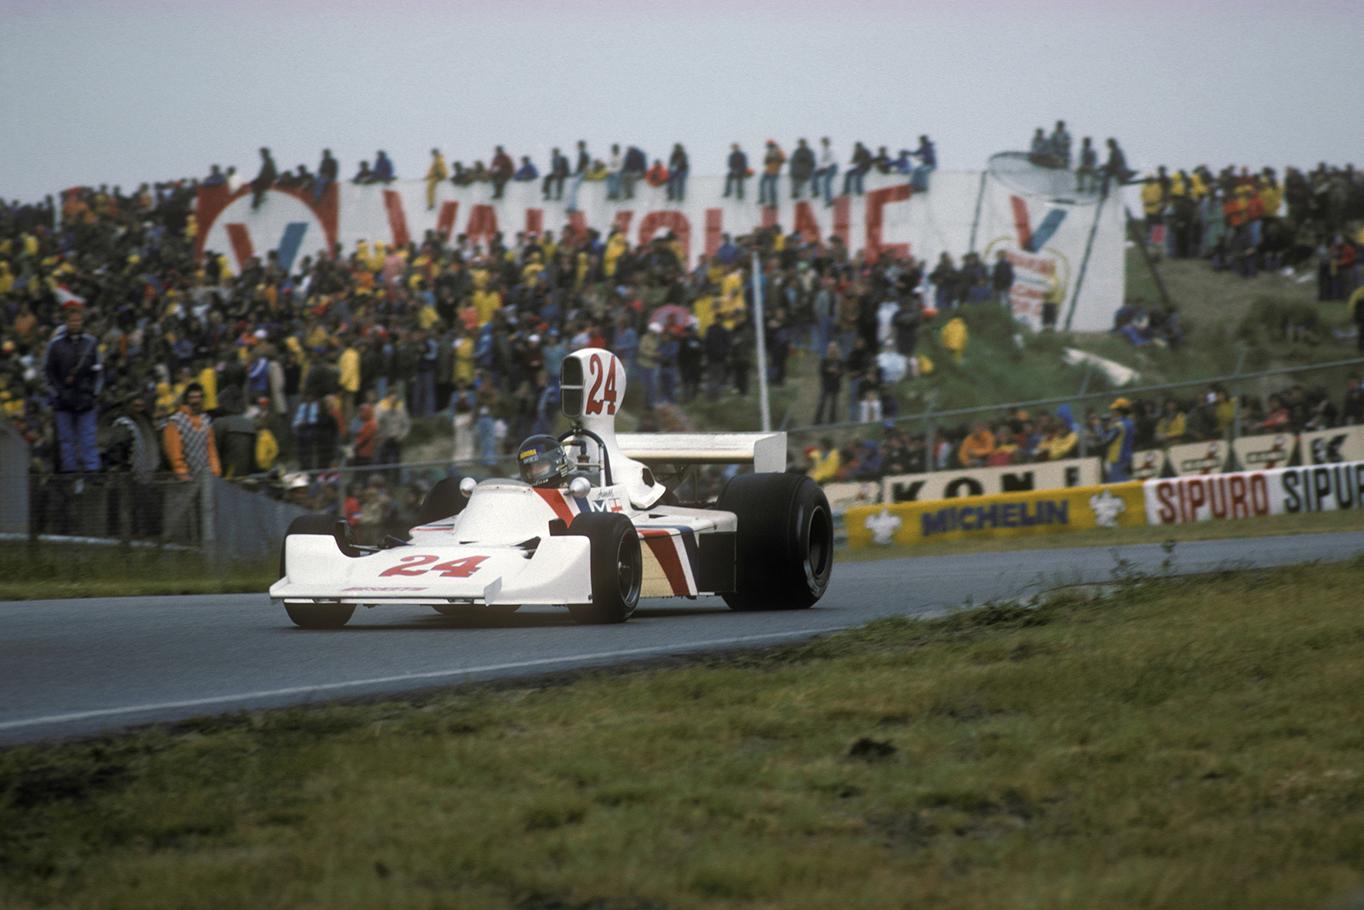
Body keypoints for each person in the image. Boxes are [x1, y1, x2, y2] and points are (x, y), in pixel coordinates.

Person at [162, 382, 222, 543]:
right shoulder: (175, 421)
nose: (196, 401)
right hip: (184, 482)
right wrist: (182, 475)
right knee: (184, 522)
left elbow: (211, 450)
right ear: (186, 399)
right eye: (192, 397)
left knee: (204, 521)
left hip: (204, 481)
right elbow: (174, 453)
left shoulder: (206, 421)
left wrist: (215, 474)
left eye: (199, 397)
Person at [1103, 397, 1136, 482]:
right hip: (1128, 456)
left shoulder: (1118, 425)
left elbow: (1107, 440)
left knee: (1117, 483)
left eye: (1115, 410)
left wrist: (1108, 428)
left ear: (1119, 411)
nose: (1113, 412)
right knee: (1126, 481)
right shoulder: (1131, 423)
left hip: (1117, 458)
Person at [815, 137, 838, 207]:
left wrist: (823, 167)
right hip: (826, 167)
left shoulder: (831, 150)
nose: (823, 144)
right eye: (823, 143)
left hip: (832, 167)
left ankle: (829, 200)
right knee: (814, 174)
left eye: (825, 142)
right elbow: (822, 161)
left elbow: (831, 161)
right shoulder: (823, 151)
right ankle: (815, 191)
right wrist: (820, 168)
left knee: (826, 182)